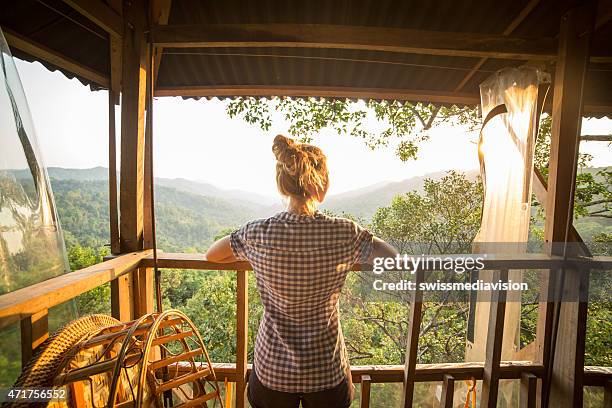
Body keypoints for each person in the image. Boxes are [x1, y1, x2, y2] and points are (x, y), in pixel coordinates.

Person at [206, 135, 397, 408]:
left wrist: (253, 256)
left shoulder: (258, 233)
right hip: (326, 373)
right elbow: (392, 257)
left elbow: (212, 255)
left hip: (272, 373)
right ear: (322, 182)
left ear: (282, 184)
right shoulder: (344, 233)